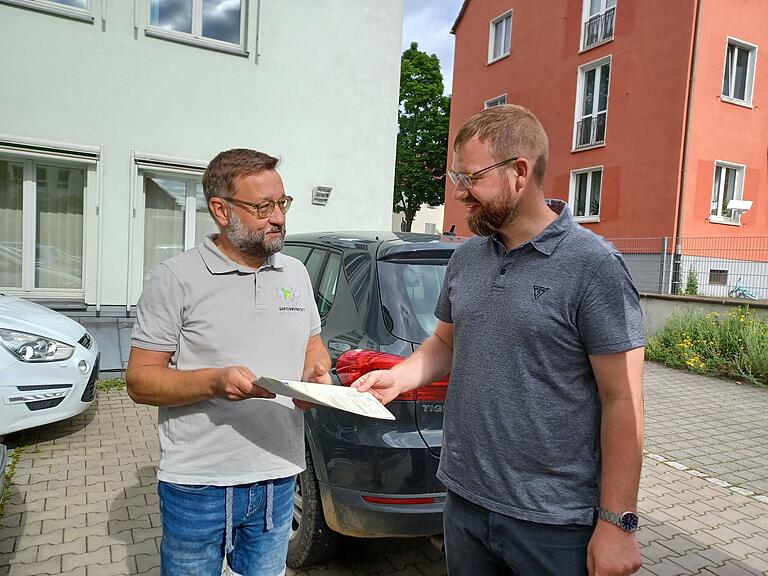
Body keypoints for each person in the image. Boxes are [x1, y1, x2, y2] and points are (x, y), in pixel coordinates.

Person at [353, 105, 645, 576]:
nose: (459, 192)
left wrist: (617, 523)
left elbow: (623, 400)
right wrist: (398, 377)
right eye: (456, 176)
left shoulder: (595, 267)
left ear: (519, 173)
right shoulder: (466, 258)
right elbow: (446, 343)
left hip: (553, 523)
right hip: (465, 503)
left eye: (470, 177)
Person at [126, 148, 331, 576]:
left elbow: (313, 343)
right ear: (221, 209)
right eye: (262, 206)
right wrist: (214, 382)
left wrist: (318, 374)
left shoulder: (295, 273)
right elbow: (140, 381)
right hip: (198, 482)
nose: (278, 217)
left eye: (282, 203)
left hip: (279, 477)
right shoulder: (176, 278)